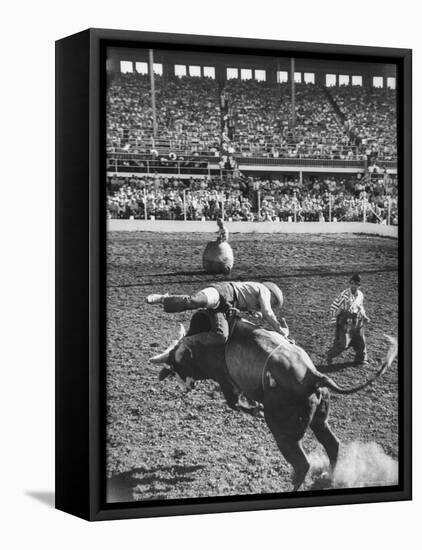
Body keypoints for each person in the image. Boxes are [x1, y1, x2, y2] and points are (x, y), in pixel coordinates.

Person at [147, 281, 289, 412]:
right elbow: (268, 312)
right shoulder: (263, 290)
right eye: (273, 302)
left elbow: (250, 305)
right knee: (194, 301)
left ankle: (188, 344)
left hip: (225, 307)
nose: (272, 305)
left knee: (221, 335)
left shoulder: (252, 297)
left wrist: (253, 311)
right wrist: (280, 330)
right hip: (222, 293)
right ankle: (165, 300)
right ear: (271, 294)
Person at [326, 273, 370, 366]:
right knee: (343, 343)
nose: (354, 286)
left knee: (361, 340)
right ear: (350, 283)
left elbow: (360, 306)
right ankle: (330, 355)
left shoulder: (360, 295)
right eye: (352, 283)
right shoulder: (344, 295)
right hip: (345, 321)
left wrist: (364, 316)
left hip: (357, 320)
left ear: (359, 286)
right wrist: (334, 322)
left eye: (356, 284)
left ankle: (361, 359)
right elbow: (333, 307)